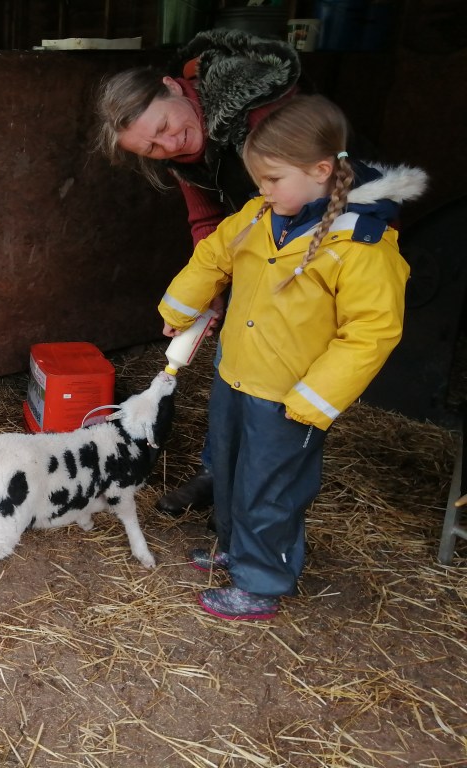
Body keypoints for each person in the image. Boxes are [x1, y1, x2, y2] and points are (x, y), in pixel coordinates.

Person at [158, 94, 425, 620]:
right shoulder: (261, 215)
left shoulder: (363, 244)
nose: (263, 190)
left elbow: (372, 330)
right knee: (231, 472)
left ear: (322, 170)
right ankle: (236, 550)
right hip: (236, 374)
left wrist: (316, 397)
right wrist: (180, 305)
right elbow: (215, 253)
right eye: (259, 180)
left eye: (273, 179)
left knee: (271, 489)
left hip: (290, 395)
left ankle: (261, 581)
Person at [95, 29, 302, 519]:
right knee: (233, 358)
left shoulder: (262, 114)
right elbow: (207, 221)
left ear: (172, 85)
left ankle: (257, 494)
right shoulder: (186, 157)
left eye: (165, 126)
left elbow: (310, 195)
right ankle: (221, 472)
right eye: (153, 149)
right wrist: (211, 287)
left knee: (276, 376)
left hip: (313, 246)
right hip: (259, 247)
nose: (169, 144)